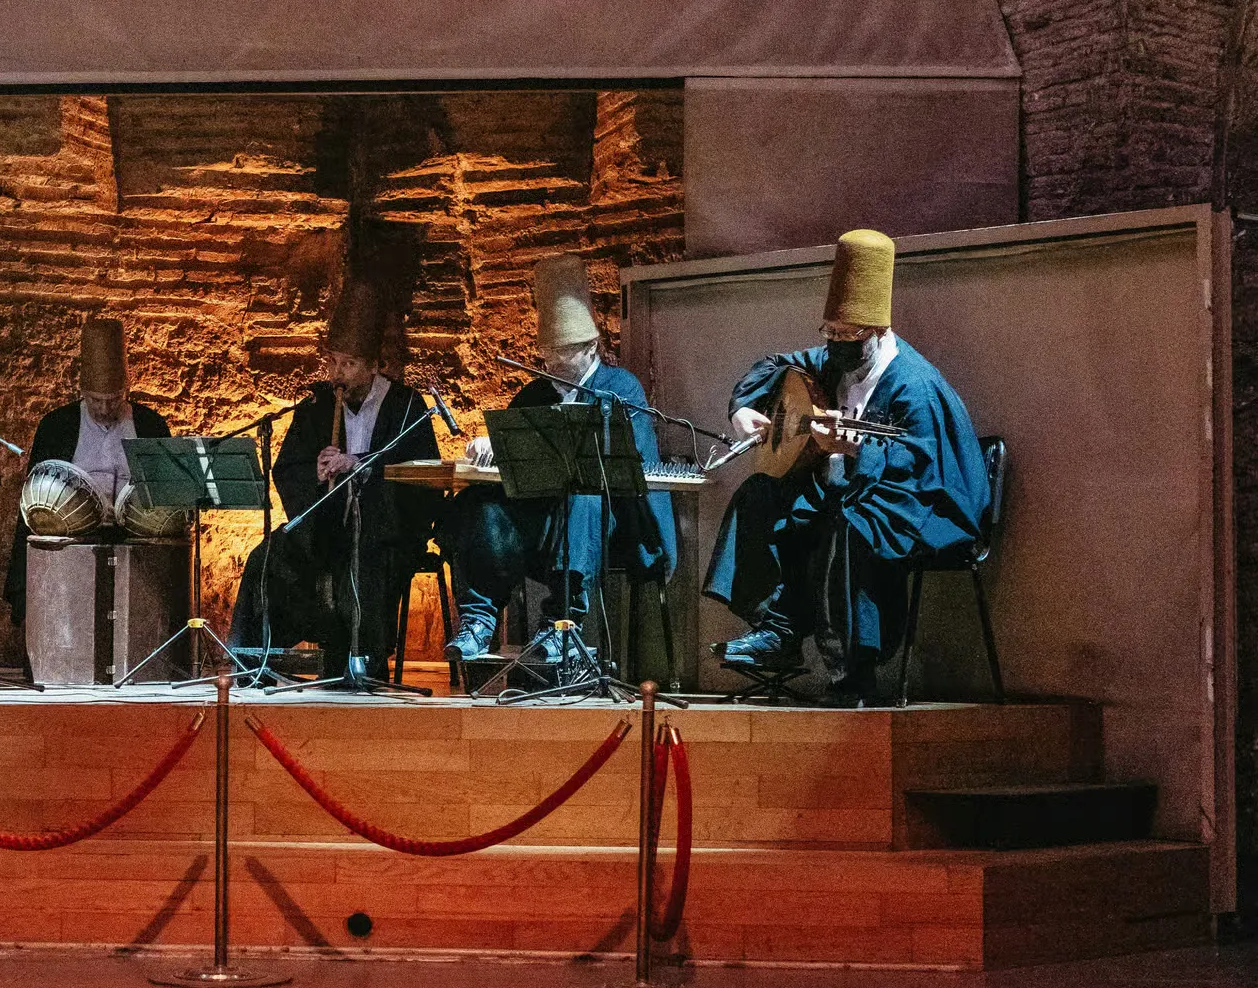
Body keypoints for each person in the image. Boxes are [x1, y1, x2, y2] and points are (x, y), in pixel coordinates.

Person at [704, 229, 991, 706]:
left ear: (876, 332)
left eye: (848, 335)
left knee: (850, 522)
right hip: (847, 490)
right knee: (761, 493)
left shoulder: (914, 386)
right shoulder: (832, 360)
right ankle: (779, 632)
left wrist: (859, 451)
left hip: (924, 504)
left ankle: (854, 673)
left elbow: (924, 464)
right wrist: (743, 408)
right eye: (829, 333)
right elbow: (775, 364)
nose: (835, 344)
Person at [439, 254, 676, 673]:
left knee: (582, 490)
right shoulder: (535, 392)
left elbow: (632, 462)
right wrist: (491, 446)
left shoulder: (620, 386)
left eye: (563, 352)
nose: (552, 363)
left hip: (608, 524)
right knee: (479, 504)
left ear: (591, 347)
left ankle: (562, 625)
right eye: (547, 352)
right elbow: (511, 457)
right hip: (539, 523)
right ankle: (478, 620)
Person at [227, 279, 442, 679]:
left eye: (349, 364)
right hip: (324, 526)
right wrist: (316, 470)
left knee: (363, 559)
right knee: (265, 557)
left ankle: (360, 664)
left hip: (385, 529)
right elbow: (288, 468)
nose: (337, 373)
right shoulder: (317, 404)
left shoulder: (406, 405)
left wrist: (358, 465)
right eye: (332, 362)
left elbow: (422, 475)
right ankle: (252, 661)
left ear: (374, 365)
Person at [4, 315, 172, 629]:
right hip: (71, 537)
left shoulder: (150, 425)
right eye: (96, 400)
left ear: (127, 390)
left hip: (135, 539)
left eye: (114, 400)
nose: (106, 409)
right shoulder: (58, 427)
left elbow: (167, 493)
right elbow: (37, 491)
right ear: (82, 391)